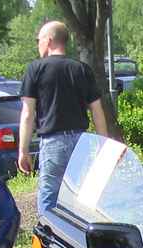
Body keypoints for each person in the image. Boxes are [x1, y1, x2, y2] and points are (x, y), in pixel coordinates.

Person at [18, 20, 109, 216]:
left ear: (49, 40)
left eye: (39, 40)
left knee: (49, 198)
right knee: (78, 198)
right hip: (81, 143)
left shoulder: (35, 69)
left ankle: (48, 235)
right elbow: (97, 111)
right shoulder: (81, 69)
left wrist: (23, 151)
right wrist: (104, 145)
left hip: (53, 143)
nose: (38, 45)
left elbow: (27, 114)